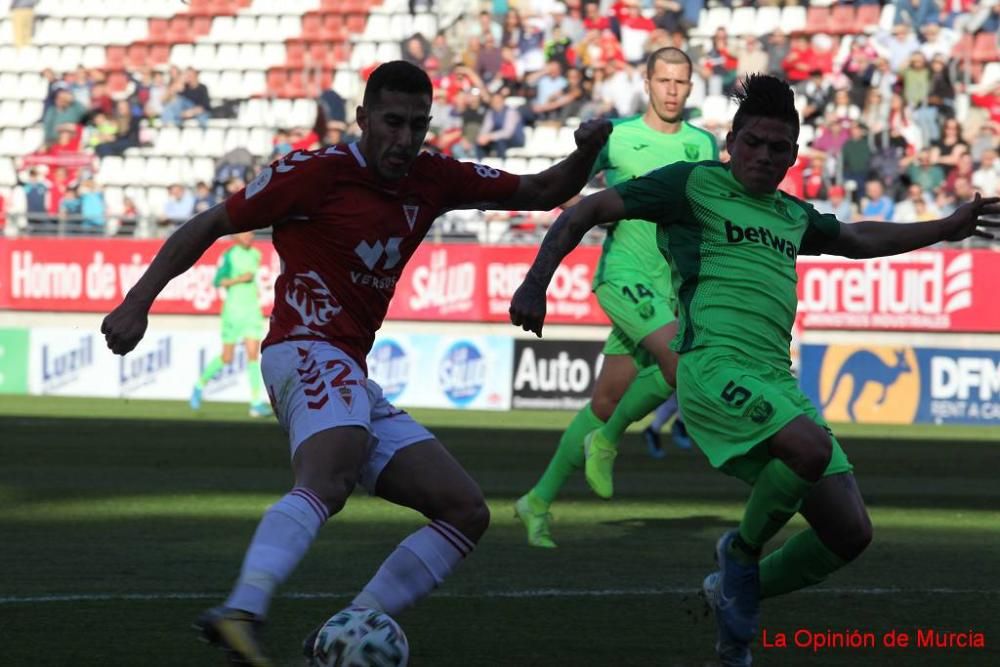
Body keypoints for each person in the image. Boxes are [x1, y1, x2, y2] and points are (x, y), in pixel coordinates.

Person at [100, 60, 611, 667]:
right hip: (303, 347)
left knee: (464, 511)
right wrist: (139, 301)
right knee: (327, 479)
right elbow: (211, 223)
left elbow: (540, 191)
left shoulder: (433, 177)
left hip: (350, 369)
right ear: (364, 118)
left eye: (417, 125)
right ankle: (241, 611)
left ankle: (349, 627)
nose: (404, 139)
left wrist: (588, 151)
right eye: (392, 123)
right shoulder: (314, 173)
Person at [508, 74, 999, 666]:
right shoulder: (694, 185)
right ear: (731, 142)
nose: (764, 155)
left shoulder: (792, 214)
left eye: (779, 147)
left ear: (794, 155)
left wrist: (946, 227)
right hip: (713, 367)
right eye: (753, 143)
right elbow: (591, 206)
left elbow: (858, 236)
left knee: (850, 533)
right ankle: (739, 555)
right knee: (809, 450)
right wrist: (537, 281)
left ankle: (731, 598)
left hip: (774, 379)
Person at [514, 47, 717, 549]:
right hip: (622, 277)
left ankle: (536, 500)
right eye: (663, 81)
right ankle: (605, 443)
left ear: (690, 88)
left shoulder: (704, 145)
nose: (672, 90)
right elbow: (568, 181)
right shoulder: (619, 137)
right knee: (677, 365)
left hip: (666, 291)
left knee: (605, 402)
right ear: (647, 83)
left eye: (681, 83)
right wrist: (585, 148)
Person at [189, 231, 271, 417]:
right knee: (227, 357)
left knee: (253, 355)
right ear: (236, 236)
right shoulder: (229, 256)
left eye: (251, 233)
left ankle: (256, 403)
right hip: (233, 312)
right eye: (245, 233)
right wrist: (238, 280)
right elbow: (218, 281)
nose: (249, 236)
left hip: (251, 311)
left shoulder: (256, 254)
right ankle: (199, 385)